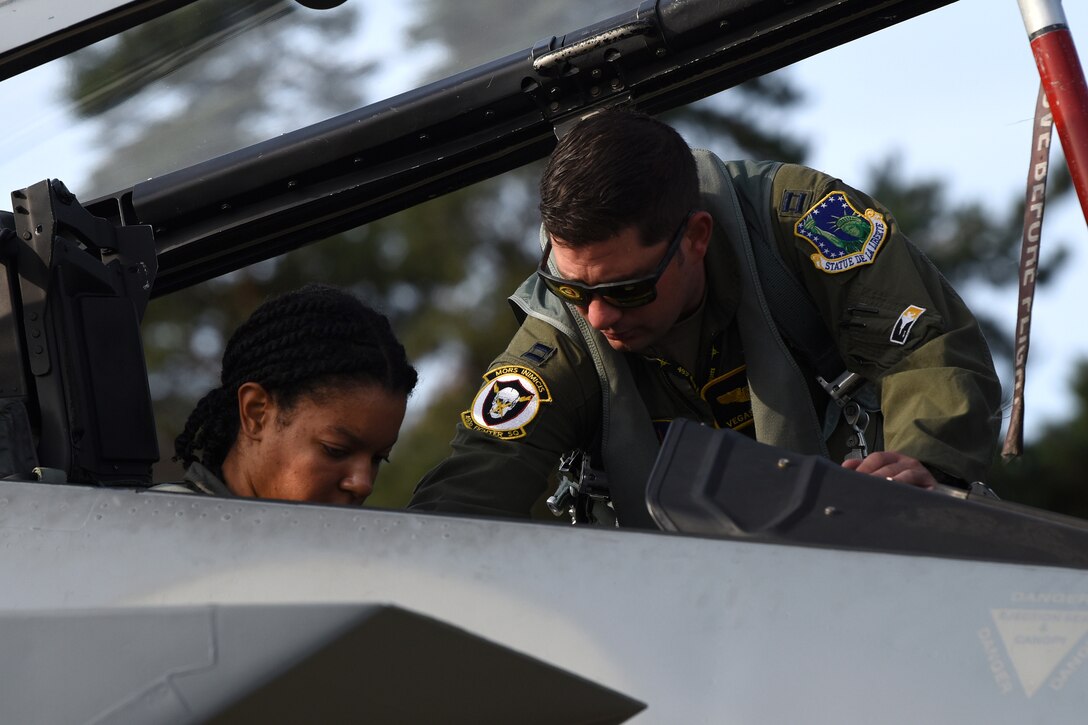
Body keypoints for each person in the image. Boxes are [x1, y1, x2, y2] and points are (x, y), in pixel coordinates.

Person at [410, 108, 1002, 528]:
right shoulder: (565, 335)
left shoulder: (801, 224)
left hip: (863, 547)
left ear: (696, 237)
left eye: (629, 288)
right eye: (571, 287)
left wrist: (921, 465)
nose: (599, 315)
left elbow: (927, 349)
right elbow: (481, 476)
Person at [159, 284, 418, 504]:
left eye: (377, 459)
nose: (363, 484)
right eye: (335, 450)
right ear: (256, 413)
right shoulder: (158, 533)